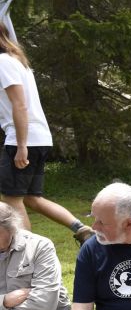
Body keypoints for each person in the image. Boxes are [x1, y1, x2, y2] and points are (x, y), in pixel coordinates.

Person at [0, 24, 92, 244]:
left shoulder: (3, 62)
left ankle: (26, 254)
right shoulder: (18, 62)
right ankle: (81, 229)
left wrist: (21, 145)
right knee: (32, 198)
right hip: (38, 138)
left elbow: (19, 105)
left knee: (12, 200)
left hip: (24, 139)